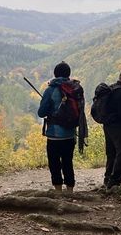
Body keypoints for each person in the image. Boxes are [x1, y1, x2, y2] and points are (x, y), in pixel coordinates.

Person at [37, 62, 87, 193]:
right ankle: (70, 191)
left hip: (54, 135)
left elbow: (41, 113)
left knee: (54, 164)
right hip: (70, 133)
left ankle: (58, 192)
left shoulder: (50, 90)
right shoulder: (75, 89)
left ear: (55, 74)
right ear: (68, 74)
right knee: (67, 162)